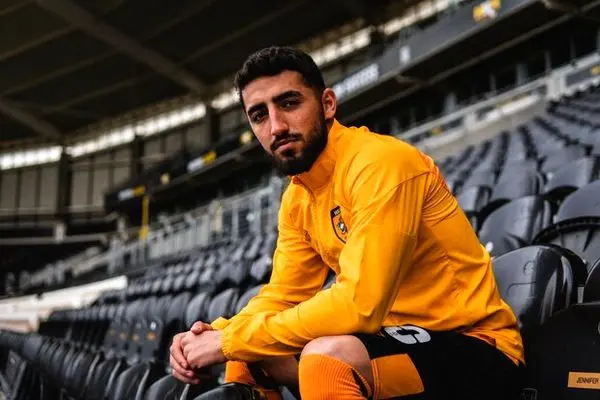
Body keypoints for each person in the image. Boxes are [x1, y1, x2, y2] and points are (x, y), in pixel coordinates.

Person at [170, 46, 524, 400]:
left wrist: (230, 339)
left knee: (326, 360)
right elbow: (283, 296)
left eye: (289, 103)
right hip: (396, 342)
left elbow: (360, 305)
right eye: (259, 115)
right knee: (249, 355)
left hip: (476, 347)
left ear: (327, 104)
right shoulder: (297, 197)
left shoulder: (380, 163)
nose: (276, 126)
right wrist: (215, 333)